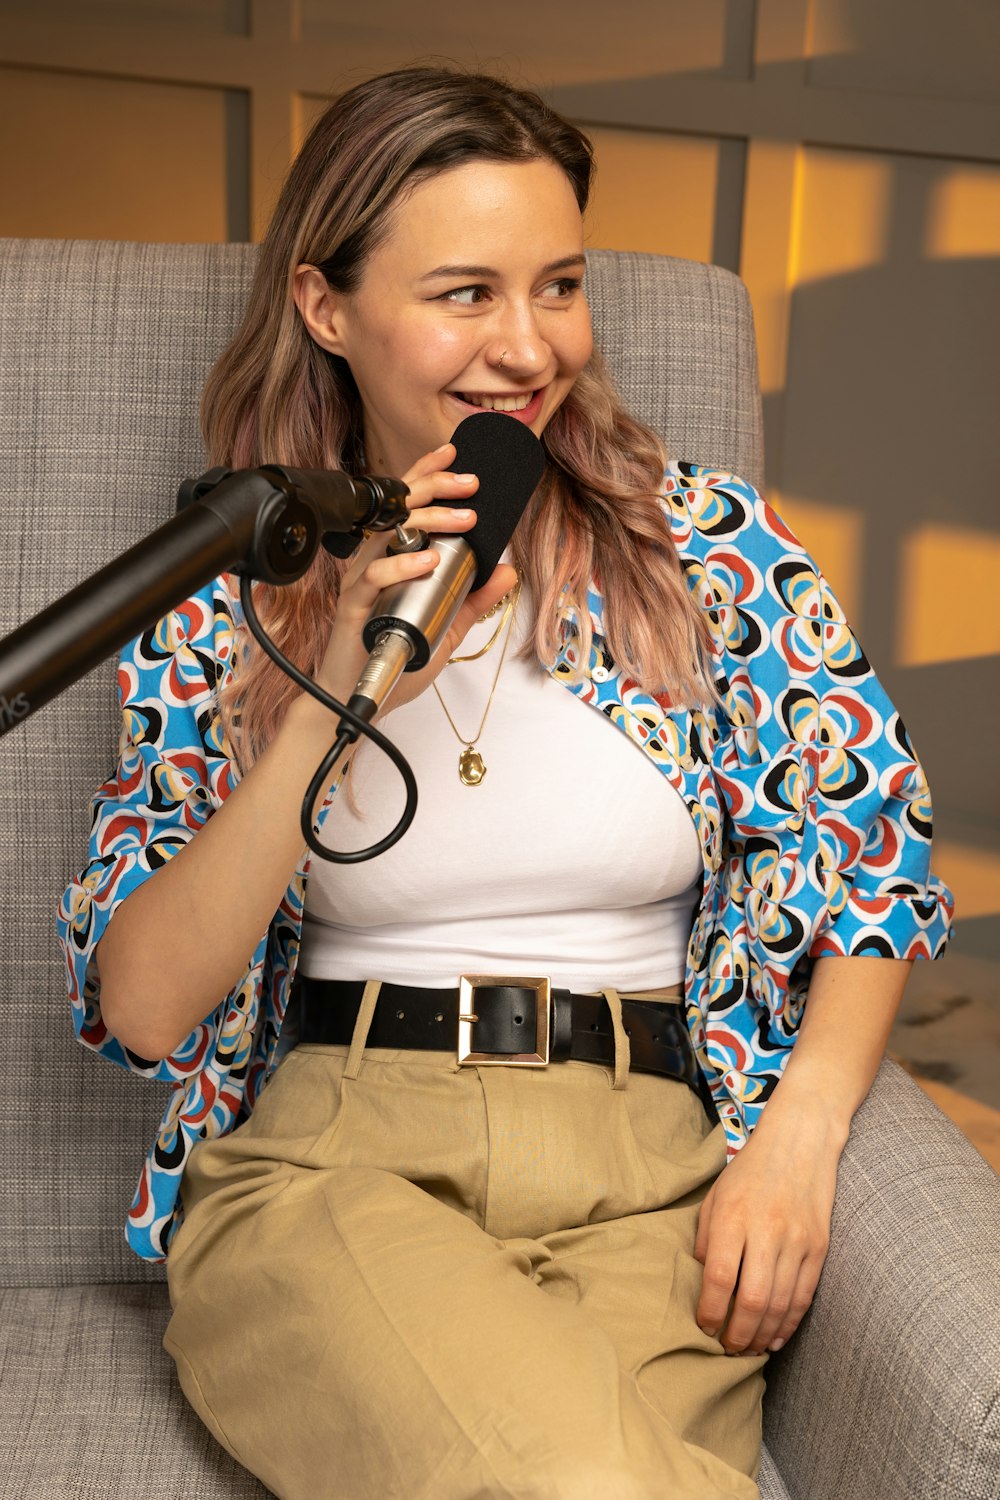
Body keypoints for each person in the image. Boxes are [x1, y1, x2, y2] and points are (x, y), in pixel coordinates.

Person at [57, 66, 954, 1500]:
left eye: (561, 286)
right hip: (339, 1162)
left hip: (651, 1173)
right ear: (325, 304)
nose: (529, 349)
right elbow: (148, 1003)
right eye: (467, 292)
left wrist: (795, 1144)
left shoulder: (708, 548)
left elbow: (869, 860)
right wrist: (334, 699)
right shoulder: (231, 592)